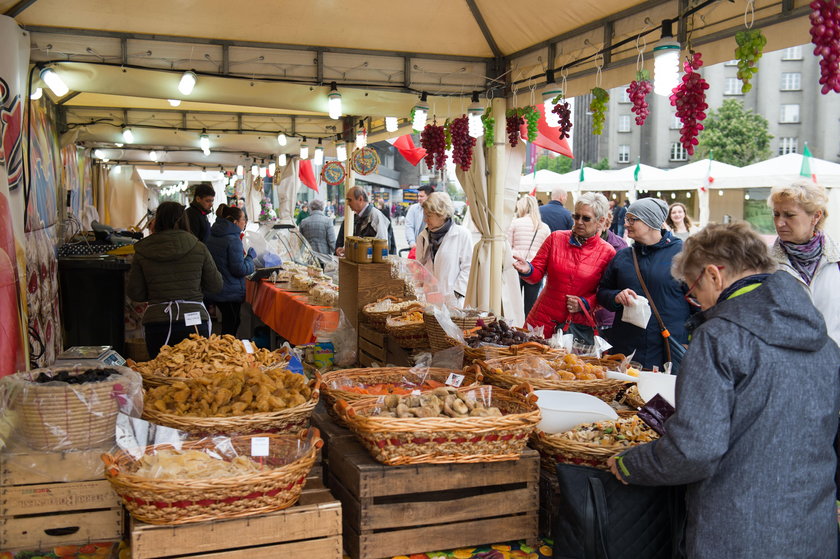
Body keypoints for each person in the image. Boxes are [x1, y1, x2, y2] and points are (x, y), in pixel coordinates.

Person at [608, 222, 840, 559]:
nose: (698, 303)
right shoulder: (824, 342)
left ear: (714, 276)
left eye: (693, 290)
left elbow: (694, 451)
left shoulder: (719, 336)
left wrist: (634, 464)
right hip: (812, 530)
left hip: (735, 531)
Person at [597, 197, 694, 370]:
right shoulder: (623, 256)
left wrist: (689, 340)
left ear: (650, 222)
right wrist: (616, 297)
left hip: (668, 348)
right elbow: (603, 292)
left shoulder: (683, 255)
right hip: (627, 349)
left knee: (661, 397)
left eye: (632, 219)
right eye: (626, 219)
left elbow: (699, 303)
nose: (626, 224)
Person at [127, 202, 223, 358]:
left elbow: (135, 292)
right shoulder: (198, 247)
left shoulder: (142, 250)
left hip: (157, 322)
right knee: (196, 375)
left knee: (160, 374)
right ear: (184, 220)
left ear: (157, 221)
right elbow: (216, 285)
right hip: (194, 321)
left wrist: (158, 294)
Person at [513, 192, 615, 337]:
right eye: (576, 216)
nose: (579, 221)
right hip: (542, 319)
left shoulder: (607, 252)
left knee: (569, 360)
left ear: (600, 221)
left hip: (575, 327)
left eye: (586, 218)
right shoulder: (556, 238)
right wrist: (528, 270)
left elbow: (605, 293)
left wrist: (585, 303)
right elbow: (536, 275)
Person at [769, 180, 839, 345]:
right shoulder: (763, 262)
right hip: (783, 364)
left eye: (789, 215)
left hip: (833, 364)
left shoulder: (836, 259)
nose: (779, 222)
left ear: (816, 216)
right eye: (776, 214)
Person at [415, 192, 474, 307]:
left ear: (441, 214)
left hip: (452, 300)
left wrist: (456, 293)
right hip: (429, 300)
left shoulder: (462, 234)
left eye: (429, 215)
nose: (425, 220)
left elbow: (468, 267)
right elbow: (419, 268)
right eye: (424, 215)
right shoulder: (423, 236)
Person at [205, 204, 256, 336]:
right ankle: (225, 352)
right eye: (243, 219)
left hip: (216, 287)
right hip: (229, 290)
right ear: (235, 222)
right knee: (232, 323)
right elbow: (239, 269)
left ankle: (223, 350)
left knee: (230, 321)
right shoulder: (233, 239)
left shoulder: (213, 234)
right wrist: (250, 258)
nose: (244, 222)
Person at [507, 196, 550, 316]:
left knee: (513, 304)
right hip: (535, 269)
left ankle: (513, 328)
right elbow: (546, 252)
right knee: (531, 305)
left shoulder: (515, 223)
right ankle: (527, 330)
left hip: (515, 266)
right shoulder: (544, 227)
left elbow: (507, 248)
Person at [593, 211, 628, 332]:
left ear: (605, 222)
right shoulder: (578, 243)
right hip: (579, 315)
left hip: (608, 315)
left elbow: (622, 283)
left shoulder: (620, 246)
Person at [335, 186, 394, 256]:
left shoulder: (375, 216)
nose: (348, 203)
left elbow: (382, 246)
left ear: (360, 199)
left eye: (350, 200)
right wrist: (346, 249)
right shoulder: (358, 216)